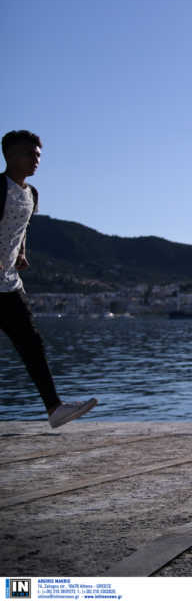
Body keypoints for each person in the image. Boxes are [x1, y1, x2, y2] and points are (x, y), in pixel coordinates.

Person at [1, 130, 97, 428]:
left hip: (8, 284)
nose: (36, 160)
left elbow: (22, 226)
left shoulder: (32, 193)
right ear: (10, 156)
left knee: (32, 344)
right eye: (30, 154)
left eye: (39, 155)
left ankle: (54, 408)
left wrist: (21, 253)